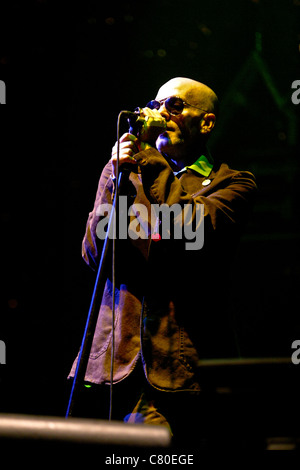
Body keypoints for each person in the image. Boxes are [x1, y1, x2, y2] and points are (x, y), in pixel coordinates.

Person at [69, 77, 257, 447]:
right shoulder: (128, 175)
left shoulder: (232, 184)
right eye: (155, 105)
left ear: (206, 122)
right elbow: (94, 254)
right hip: (112, 366)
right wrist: (113, 172)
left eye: (173, 106)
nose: (158, 114)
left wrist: (150, 162)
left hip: (180, 370)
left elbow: (187, 233)